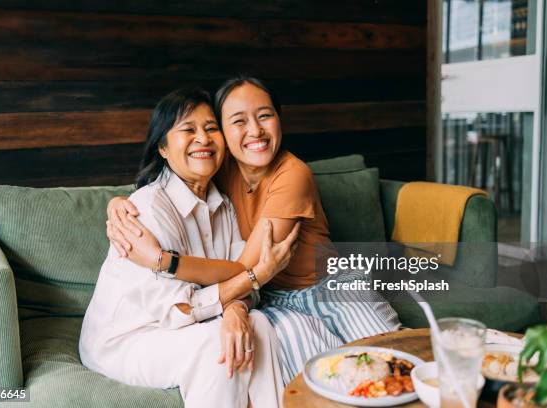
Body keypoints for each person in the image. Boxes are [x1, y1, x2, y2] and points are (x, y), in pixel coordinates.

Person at [106, 77, 401, 383]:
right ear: (223, 132)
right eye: (238, 121)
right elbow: (169, 181)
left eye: (265, 115)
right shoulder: (219, 168)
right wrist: (119, 202)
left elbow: (246, 268)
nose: (255, 131)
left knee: (391, 362)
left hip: (327, 288)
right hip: (270, 298)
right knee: (326, 379)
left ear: (278, 119)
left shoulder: (293, 174)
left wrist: (164, 260)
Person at [80, 87, 297, 408]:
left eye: (211, 128)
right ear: (164, 148)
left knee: (260, 325)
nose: (204, 138)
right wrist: (256, 277)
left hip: (187, 325)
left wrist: (236, 308)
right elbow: (179, 309)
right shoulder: (146, 210)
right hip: (128, 339)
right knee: (216, 345)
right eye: (188, 130)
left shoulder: (222, 204)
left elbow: (237, 276)